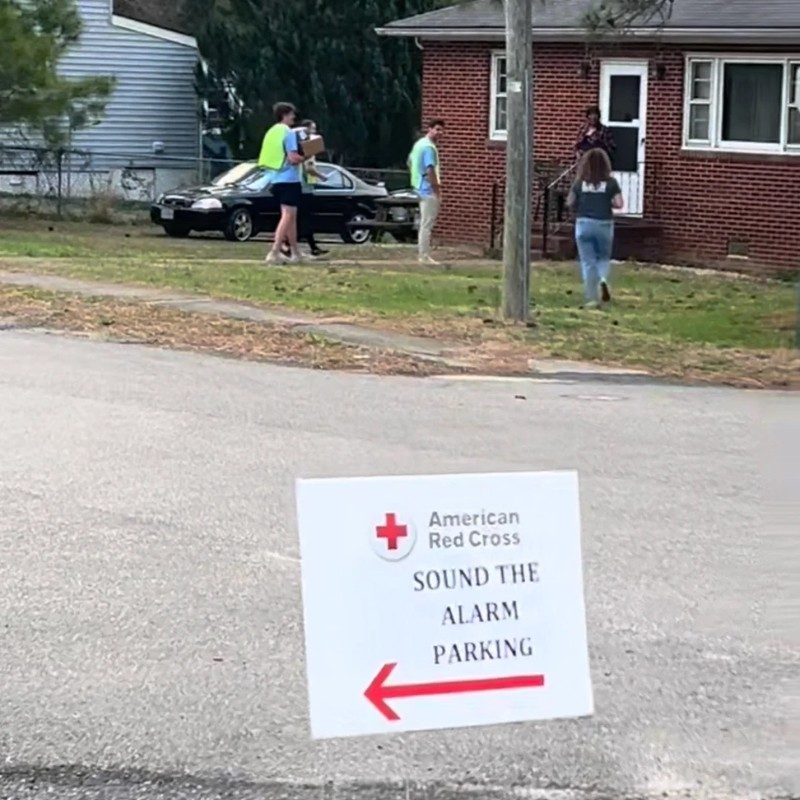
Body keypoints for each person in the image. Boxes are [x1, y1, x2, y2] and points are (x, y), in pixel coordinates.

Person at [567, 148, 624, 308]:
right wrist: (608, 202)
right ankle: (604, 281)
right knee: (603, 258)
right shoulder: (611, 183)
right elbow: (619, 203)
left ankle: (591, 297)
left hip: (584, 223)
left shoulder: (579, 183)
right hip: (604, 224)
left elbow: (570, 201)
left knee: (587, 261)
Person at [258, 101, 305, 264]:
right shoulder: (288, 132)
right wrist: (305, 157)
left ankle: (295, 252)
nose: (294, 117)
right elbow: (292, 158)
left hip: (275, 178)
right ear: (285, 115)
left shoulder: (272, 131)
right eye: (292, 114)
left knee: (291, 217)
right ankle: (275, 250)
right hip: (289, 179)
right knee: (288, 216)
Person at [281, 119, 328, 259]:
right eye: (312, 129)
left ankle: (306, 246)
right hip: (304, 187)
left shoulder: (299, 147)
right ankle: (288, 244)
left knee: (301, 219)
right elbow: (309, 168)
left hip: (305, 186)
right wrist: (323, 177)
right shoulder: (305, 148)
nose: (314, 133)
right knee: (303, 219)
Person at [408, 119, 445, 265]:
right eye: (437, 129)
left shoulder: (419, 144)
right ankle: (424, 256)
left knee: (424, 223)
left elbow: (410, 162)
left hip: (417, 186)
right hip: (427, 189)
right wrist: (437, 190)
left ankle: (423, 254)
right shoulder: (429, 147)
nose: (440, 133)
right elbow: (430, 169)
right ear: (429, 129)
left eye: (441, 130)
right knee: (427, 224)